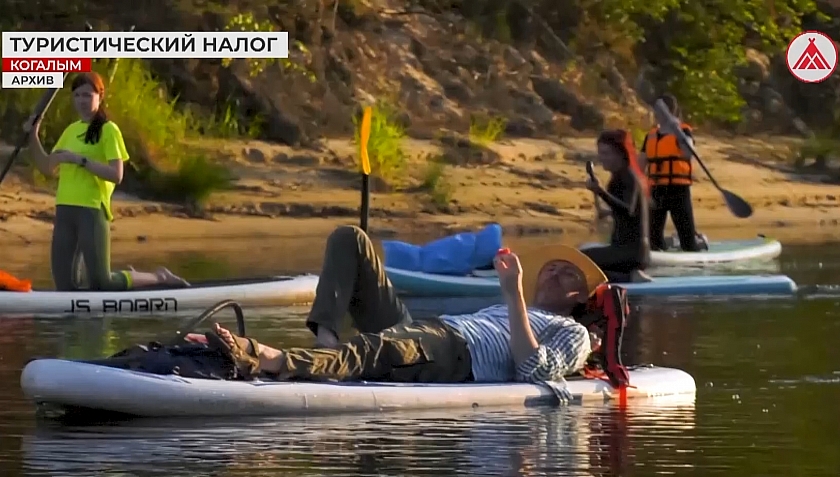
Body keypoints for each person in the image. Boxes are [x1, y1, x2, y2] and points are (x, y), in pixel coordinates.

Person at [185, 225, 609, 385]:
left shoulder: (572, 333)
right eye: (551, 267)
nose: (553, 273)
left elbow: (532, 371)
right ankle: (328, 343)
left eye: (567, 274)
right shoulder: (514, 304)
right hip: (433, 330)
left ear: (579, 297)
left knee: (378, 348)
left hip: (459, 353)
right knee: (350, 238)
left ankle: (266, 358)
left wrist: (513, 292)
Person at [24, 71, 188, 292]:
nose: (82, 101)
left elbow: (116, 174)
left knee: (102, 283)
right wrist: (32, 135)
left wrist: (79, 160)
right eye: (78, 95)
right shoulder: (71, 131)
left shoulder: (108, 130)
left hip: (91, 210)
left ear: (100, 97)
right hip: (65, 210)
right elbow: (46, 167)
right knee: (64, 286)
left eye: (88, 95)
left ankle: (158, 277)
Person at [582, 129, 652, 283]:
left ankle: (629, 277)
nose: (602, 158)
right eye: (600, 153)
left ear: (621, 154)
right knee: (582, 262)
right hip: (623, 251)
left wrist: (600, 192)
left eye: (606, 153)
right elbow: (624, 211)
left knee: (579, 259)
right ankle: (626, 276)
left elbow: (628, 210)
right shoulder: (618, 177)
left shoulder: (629, 177)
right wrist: (606, 212)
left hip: (631, 253)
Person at [638, 94, 704, 253]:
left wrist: (677, 132)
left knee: (688, 243)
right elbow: (640, 165)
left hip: (678, 191)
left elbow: (689, 153)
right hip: (656, 191)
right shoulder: (651, 136)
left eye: (657, 111)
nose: (654, 114)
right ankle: (664, 248)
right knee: (653, 240)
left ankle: (698, 244)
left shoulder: (683, 132)